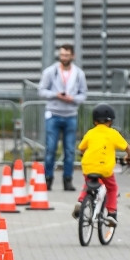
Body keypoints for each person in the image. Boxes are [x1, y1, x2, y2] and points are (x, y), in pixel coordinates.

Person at [70, 103, 130, 227]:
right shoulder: (113, 133)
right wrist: (129, 158)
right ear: (110, 121)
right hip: (105, 168)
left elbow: (81, 148)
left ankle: (80, 201)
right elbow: (128, 148)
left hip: (88, 165)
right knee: (112, 188)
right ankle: (111, 213)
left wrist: (85, 154)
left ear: (94, 121)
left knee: (88, 183)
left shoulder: (90, 133)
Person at [38, 43, 88, 191]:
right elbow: (41, 91)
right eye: (62, 55)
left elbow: (83, 94)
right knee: (51, 148)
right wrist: (56, 95)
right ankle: (48, 179)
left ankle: (68, 180)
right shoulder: (50, 72)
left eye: (66, 55)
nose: (64, 58)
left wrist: (73, 99)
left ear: (72, 56)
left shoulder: (79, 74)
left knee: (70, 150)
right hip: (53, 113)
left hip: (71, 114)